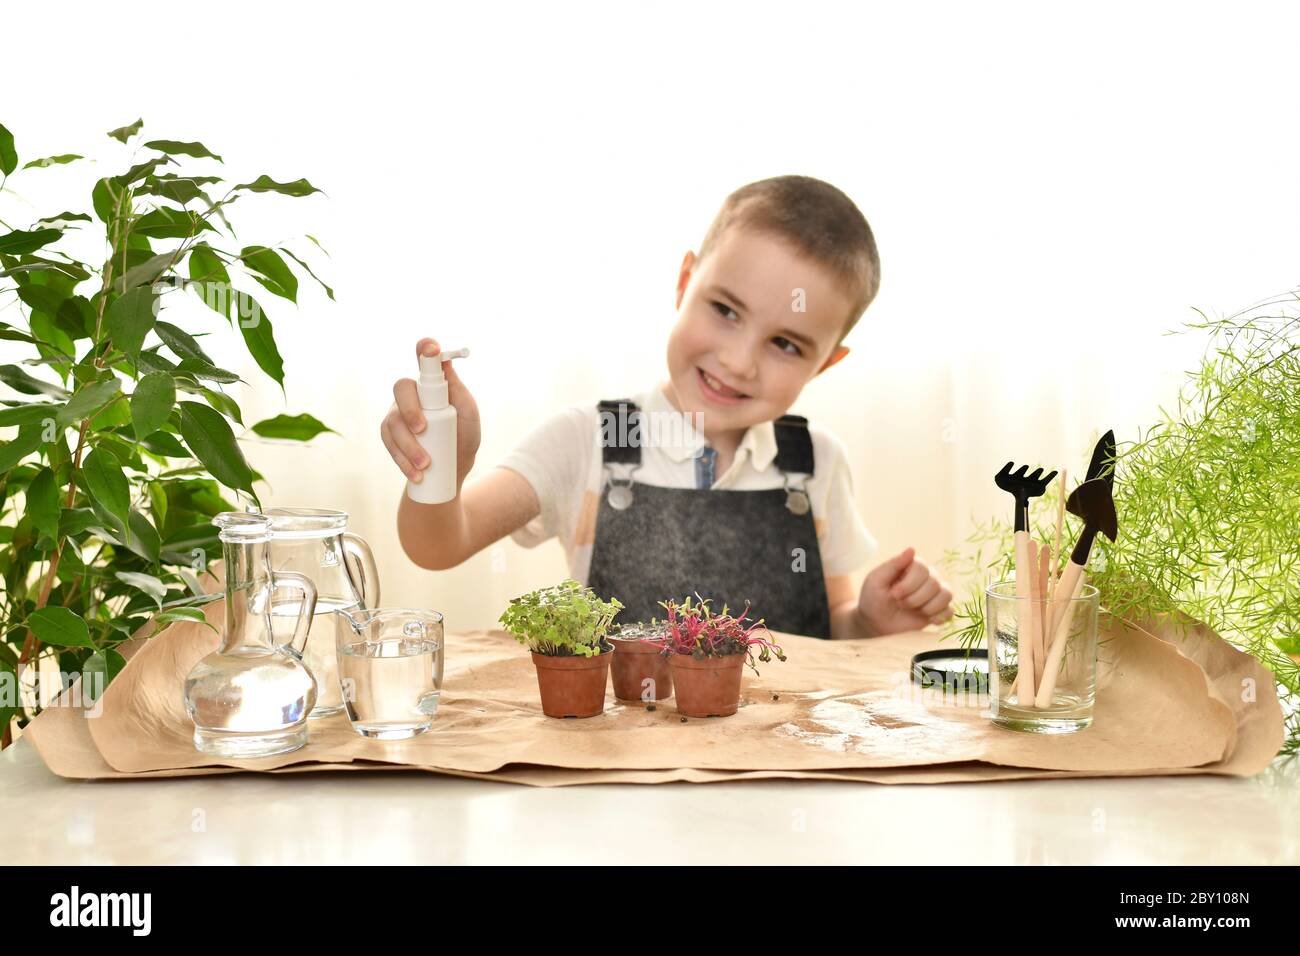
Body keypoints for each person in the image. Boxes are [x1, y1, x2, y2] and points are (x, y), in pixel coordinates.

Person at [381, 175, 952, 638]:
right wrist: (441, 473)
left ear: (826, 363)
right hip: (618, 765)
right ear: (685, 282)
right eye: (726, 310)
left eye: (785, 344)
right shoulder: (588, 440)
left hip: (777, 768)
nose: (739, 361)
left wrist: (872, 621)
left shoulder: (817, 462)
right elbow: (438, 545)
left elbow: (830, 629)